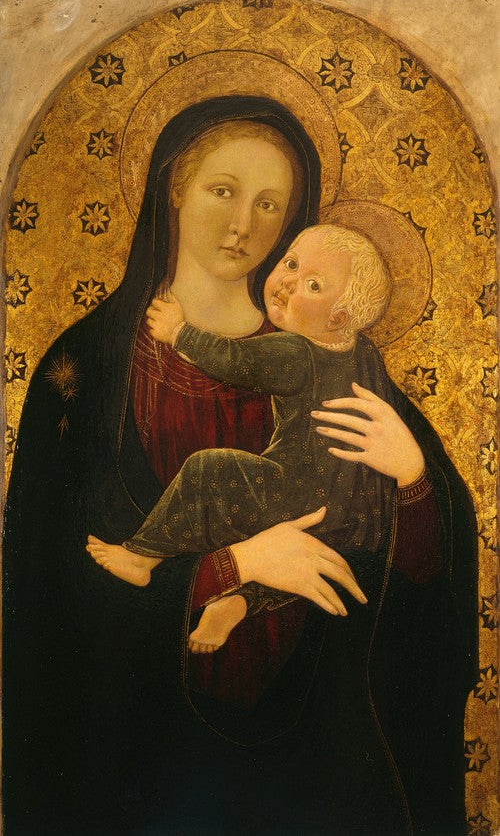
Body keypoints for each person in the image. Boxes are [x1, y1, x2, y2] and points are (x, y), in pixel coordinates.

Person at [3, 93, 477, 836]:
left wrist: (414, 479)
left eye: (269, 205)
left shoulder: (340, 367)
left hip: (313, 756)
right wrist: (233, 566)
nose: (244, 225)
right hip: (144, 766)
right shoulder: (86, 369)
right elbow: (45, 595)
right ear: (174, 187)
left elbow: (422, 586)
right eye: (223, 190)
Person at [86, 223, 397, 654]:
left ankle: (142, 557)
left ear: (337, 319)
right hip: (357, 517)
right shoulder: (366, 354)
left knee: (207, 469)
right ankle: (236, 603)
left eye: (312, 285)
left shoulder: (297, 351)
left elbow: (234, 359)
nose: (287, 282)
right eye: (291, 263)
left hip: (297, 494)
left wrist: (179, 332)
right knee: (297, 560)